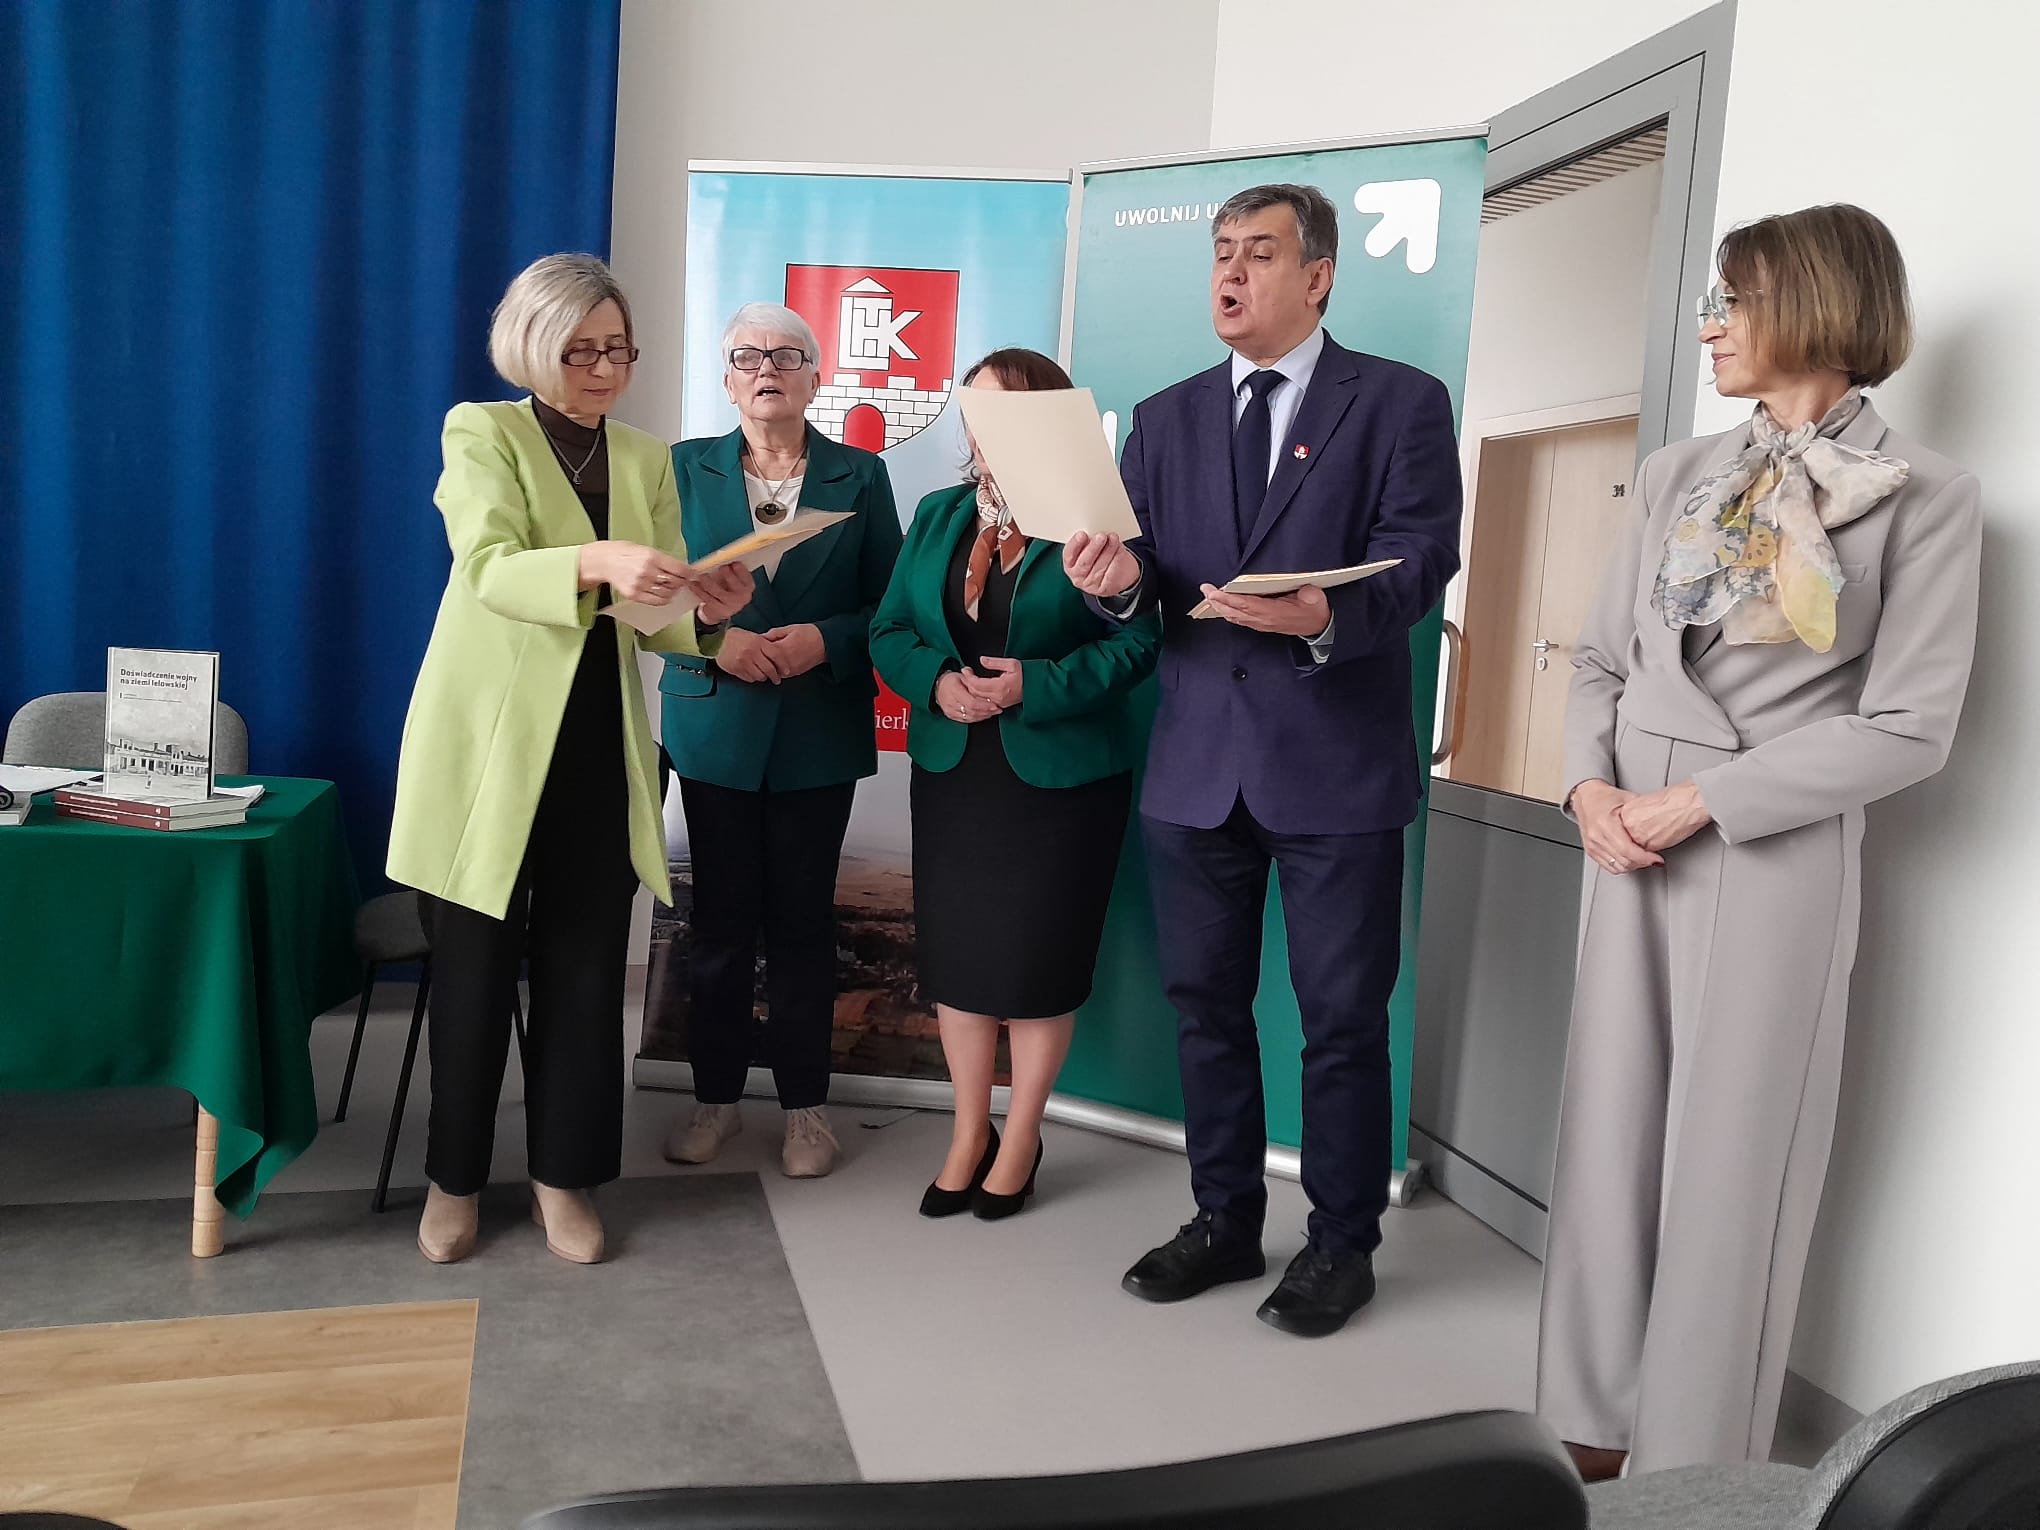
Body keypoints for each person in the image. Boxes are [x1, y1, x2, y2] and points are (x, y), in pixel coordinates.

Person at [1537, 205, 1982, 1477]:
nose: (1712, 327)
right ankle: (1587, 1417)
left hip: (1767, 847)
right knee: (1610, 1127)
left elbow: (1910, 728)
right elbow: (1601, 661)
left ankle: (1694, 1459)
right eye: (1713, 303)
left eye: (1734, 301)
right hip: (1625, 835)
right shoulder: (1675, 472)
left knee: (1735, 1153)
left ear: (1822, 305)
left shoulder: (1929, 497)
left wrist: (1702, 804)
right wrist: (1587, 791)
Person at [1064, 183, 1463, 1336]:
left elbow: (1421, 556)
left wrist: (1325, 619)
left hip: (1336, 769)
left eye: (1259, 254)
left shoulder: (1399, 402)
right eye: (1221, 255)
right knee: (1206, 1009)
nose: (1231, 274)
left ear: (1319, 275)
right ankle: (1225, 1221)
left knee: (1341, 1020)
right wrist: (1114, 587)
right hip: (1197, 771)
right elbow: (1142, 584)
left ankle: (1341, 1245)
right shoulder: (1164, 418)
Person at [388, 254, 753, 1266]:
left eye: (618, 349)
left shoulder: (644, 457)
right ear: (532, 345)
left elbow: (650, 614)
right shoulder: (483, 431)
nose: (604, 369)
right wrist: (598, 559)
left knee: (587, 974)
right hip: (487, 744)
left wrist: (708, 609)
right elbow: (490, 567)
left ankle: (564, 1178)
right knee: (471, 977)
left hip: (598, 737)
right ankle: (454, 1181)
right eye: (581, 350)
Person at [870, 348, 1161, 1220]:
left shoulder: (1096, 524)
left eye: (1006, 410)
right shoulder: (939, 514)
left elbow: (1138, 645)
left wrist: (1032, 685)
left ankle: (1023, 1136)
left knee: (1038, 966)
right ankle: (968, 1133)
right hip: (956, 773)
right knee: (959, 965)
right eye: (976, 410)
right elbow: (889, 630)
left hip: (1060, 782)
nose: (985, 428)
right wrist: (935, 683)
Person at [659, 303, 903, 1179]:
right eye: (748, 356)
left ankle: (806, 1111)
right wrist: (712, 640)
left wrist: (826, 642)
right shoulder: (678, 469)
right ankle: (714, 1100)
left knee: (802, 925)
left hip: (814, 733)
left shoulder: (860, 475)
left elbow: (891, 604)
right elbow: (645, 597)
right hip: (715, 724)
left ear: (815, 377)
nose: (767, 368)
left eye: (787, 355)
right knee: (719, 925)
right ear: (727, 380)